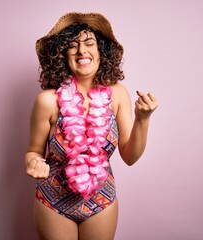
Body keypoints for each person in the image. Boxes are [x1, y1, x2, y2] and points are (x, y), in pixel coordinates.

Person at [25, 12, 158, 240]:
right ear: (61, 54)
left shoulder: (117, 95)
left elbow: (130, 157)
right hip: (53, 200)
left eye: (89, 43)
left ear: (101, 51)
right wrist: (34, 162)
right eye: (72, 46)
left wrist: (143, 119)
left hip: (101, 201)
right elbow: (33, 151)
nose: (81, 51)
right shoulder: (47, 101)